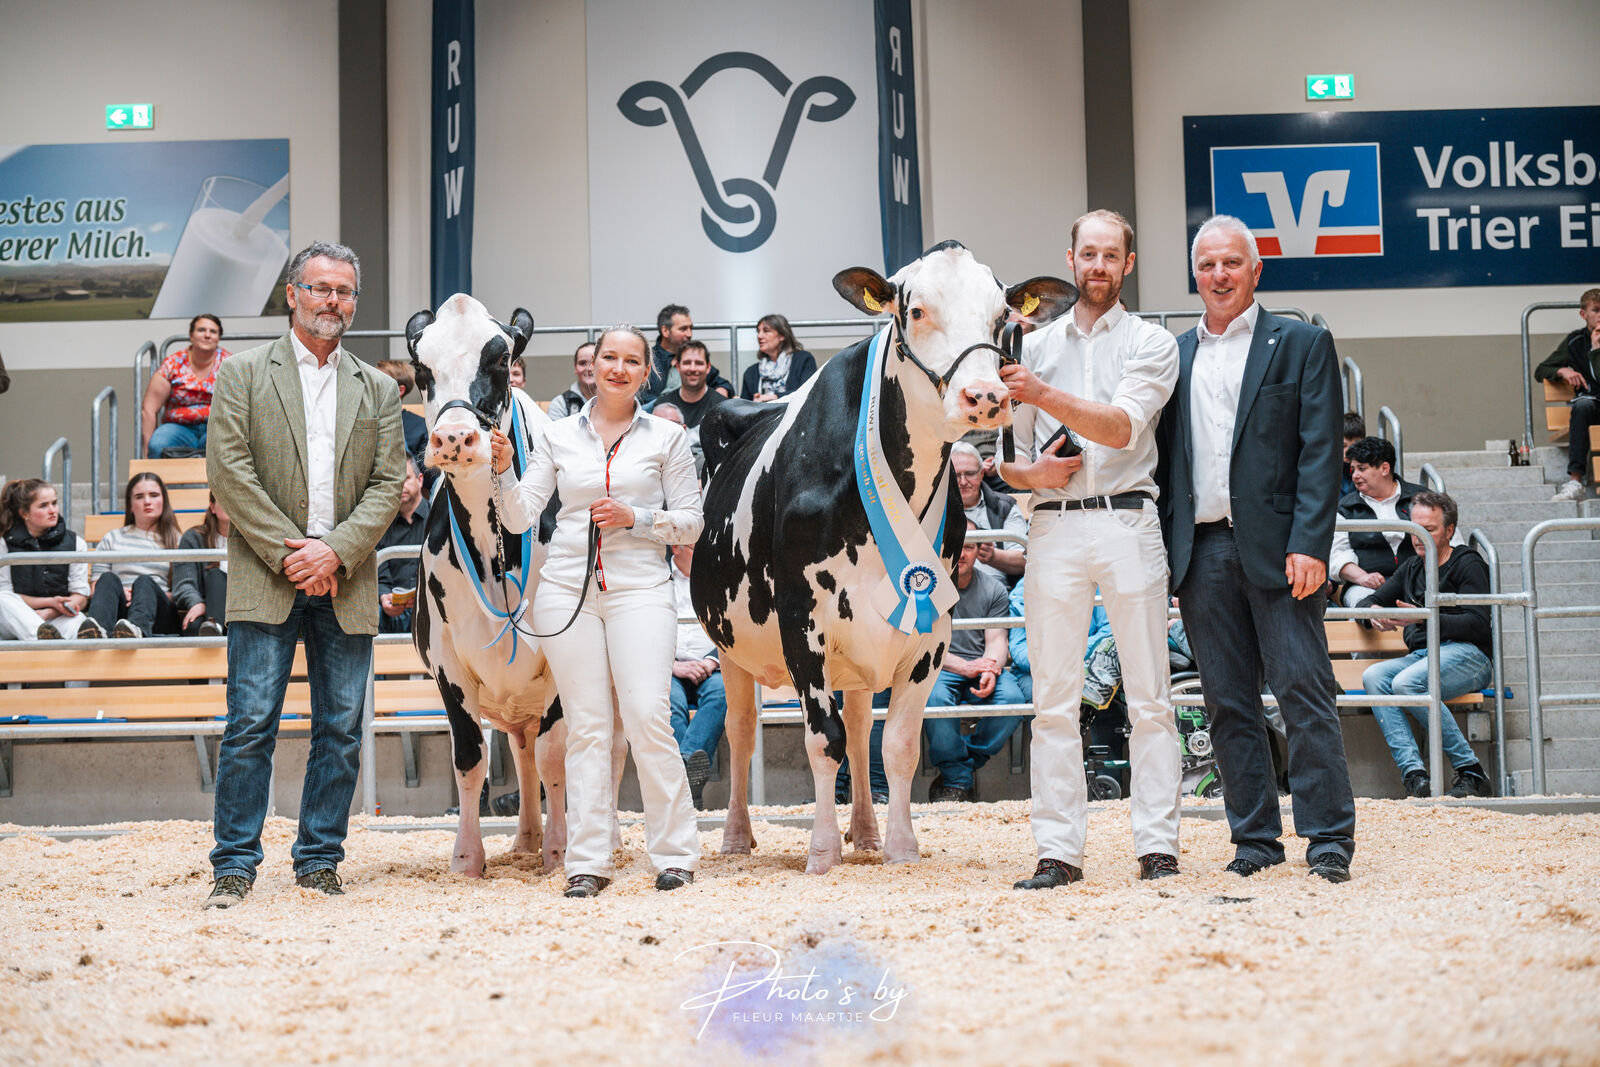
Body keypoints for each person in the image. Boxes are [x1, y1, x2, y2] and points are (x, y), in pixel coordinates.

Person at [204, 241, 405, 908]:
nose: (333, 302)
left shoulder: (377, 388)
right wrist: (294, 553)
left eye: (344, 291)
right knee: (251, 723)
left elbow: (386, 486)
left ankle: (319, 861)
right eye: (320, 288)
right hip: (268, 577)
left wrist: (334, 552)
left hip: (344, 581)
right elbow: (228, 472)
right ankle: (233, 865)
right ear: (291, 294)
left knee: (341, 731)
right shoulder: (242, 372)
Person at [1156, 214, 1354, 884]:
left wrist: (1311, 543)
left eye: (1231, 263)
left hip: (1282, 551)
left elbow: (1321, 453)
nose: (1218, 275)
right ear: (1196, 272)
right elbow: (1161, 463)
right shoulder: (1171, 355)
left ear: (1255, 270)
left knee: (1304, 691)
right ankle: (1256, 840)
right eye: (1208, 264)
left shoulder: (1300, 343)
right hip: (1202, 552)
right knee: (1227, 702)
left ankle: (1327, 837)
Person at [998, 209, 1183, 888]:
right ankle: (1058, 851)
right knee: (1052, 698)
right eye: (1089, 254)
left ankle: (1158, 844)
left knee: (1150, 695)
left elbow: (1121, 428)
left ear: (1128, 265)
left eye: (1112, 256)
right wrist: (1032, 475)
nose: (1099, 266)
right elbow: (1005, 463)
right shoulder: (1032, 345)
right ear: (1069, 259)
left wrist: (1043, 393)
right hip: (1052, 525)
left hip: (1129, 520)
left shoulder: (1151, 342)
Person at [491, 324, 703, 898]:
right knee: (586, 727)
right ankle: (588, 860)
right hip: (566, 591)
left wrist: (637, 518)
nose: (617, 367)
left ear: (646, 370)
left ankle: (676, 852)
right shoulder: (557, 436)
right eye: (609, 356)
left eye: (631, 360)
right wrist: (503, 468)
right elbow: (517, 516)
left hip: (640, 590)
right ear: (593, 364)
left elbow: (691, 521)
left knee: (646, 716)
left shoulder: (667, 437)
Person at [1356, 491, 1494, 799]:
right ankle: (1416, 777)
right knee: (1374, 677)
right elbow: (1369, 601)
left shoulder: (1467, 563)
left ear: (1449, 530)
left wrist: (1424, 618)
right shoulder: (1411, 568)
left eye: (1429, 529)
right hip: (1424, 655)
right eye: (1414, 527)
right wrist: (1374, 613)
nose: (1419, 537)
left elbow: (1477, 623)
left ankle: (1471, 770)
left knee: (1407, 683)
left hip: (1469, 655)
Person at [923, 520, 1026, 802]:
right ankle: (957, 779)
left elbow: (996, 641)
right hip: (941, 665)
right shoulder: (927, 586)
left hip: (980, 665)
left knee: (1013, 698)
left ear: (979, 550)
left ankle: (960, 768)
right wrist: (964, 666)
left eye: (968, 547)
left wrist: (991, 668)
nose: (962, 554)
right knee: (934, 700)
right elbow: (925, 643)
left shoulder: (994, 589)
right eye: (956, 546)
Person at [1328, 437, 1429, 607]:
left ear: (1384, 468)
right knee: (1364, 603)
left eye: (1362, 469)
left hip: (1420, 582)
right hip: (1365, 588)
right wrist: (1363, 577)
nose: (1355, 475)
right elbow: (1338, 554)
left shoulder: (1422, 499)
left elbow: (1449, 542)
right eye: (1353, 469)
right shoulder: (1345, 508)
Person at [85, 473, 184, 640]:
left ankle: (135, 631)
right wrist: (124, 593)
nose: (147, 501)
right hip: (119, 609)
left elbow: (181, 593)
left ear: (163, 501)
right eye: (139, 496)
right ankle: (95, 635)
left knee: (144, 582)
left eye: (154, 495)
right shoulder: (112, 538)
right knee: (108, 579)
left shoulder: (178, 540)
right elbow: (96, 588)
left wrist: (142, 594)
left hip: (159, 615)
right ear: (130, 505)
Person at [667, 541, 725, 809]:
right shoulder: (658, 579)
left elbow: (730, 623)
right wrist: (672, 665)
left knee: (722, 693)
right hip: (671, 666)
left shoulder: (716, 577)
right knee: (668, 700)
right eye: (694, 548)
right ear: (675, 547)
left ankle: (683, 782)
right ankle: (690, 785)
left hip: (710, 666)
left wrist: (713, 660)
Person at [0, 479, 91, 641]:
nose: (53, 510)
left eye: (54, 503)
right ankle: (43, 639)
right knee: (1, 600)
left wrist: (50, 611)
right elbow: (7, 596)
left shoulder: (75, 542)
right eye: (43, 506)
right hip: (18, 620)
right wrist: (50, 602)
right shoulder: (5, 543)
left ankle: (47, 640)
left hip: (56, 616)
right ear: (24, 513)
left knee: (79, 621)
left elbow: (81, 597)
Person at [1534, 287, 1600, 502]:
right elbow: (1541, 370)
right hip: (1591, 408)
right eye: (1596, 310)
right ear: (1584, 314)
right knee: (1583, 406)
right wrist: (1562, 370)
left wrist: (1597, 350)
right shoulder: (1575, 342)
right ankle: (1575, 481)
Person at [141, 314, 230, 458]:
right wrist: (146, 451)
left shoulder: (230, 364)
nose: (207, 335)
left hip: (217, 425)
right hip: (178, 427)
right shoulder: (173, 364)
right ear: (191, 335)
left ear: (218, 337)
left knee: (226, 445)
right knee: (157, 445)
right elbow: (149, 409)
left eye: (213, 331)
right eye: (201, 330)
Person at [951, 442, 1026, 585]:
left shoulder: (1003, 506)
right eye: (956, 475)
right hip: (946, 593)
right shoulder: (936, 509)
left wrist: (993, 556)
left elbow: (1025, 560)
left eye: (970, 474)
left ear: (981, 474)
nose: (963, 481)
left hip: (996, 597)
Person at [377, 456, 428, 634]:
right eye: (394, 480)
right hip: (391, 613)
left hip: (432, 609)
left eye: (405, 478)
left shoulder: (438, 520)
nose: (400, 486)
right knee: (371, 614)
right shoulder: (381, 526)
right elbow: (379, 574)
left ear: (420, 480)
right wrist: (384, 597)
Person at [644, 305, 734, 406]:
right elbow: (642, 399)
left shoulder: (694, 359)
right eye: (683, 329)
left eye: (691, 328)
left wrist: (722, 390)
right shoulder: (647, 360)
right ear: (665, 331)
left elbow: (722, 383)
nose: (689, 334)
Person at [173, 492, 230, 637]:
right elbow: (184, 583)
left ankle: (215, 626)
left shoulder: (253, 539)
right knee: (193, 624)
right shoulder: (193, 538)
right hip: (205, 607)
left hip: (243, 610)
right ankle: (213, 625)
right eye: (224, 497)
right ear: (212, 507)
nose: (230, 503)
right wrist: (197, 603)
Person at [742, 313, 817, 401]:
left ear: (782, 335)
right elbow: (743, 407)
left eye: (766, 331)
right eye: (758, 331)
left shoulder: (803, 359)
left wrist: (774, 397)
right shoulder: (751, 372)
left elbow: (809, 392)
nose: (759, 336)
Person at [376, 358, 428, 468]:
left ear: (400, 390)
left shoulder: (421, 426)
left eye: (378, 382)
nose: (371, 386)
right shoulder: (362, 420)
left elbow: (427, 474)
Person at [548, 341, 597, 419]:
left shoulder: (617, 401)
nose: (589, 368)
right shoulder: (560, 404)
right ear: (575, 368)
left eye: (594, 362)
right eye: (582, 363)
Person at [1341, 411, 1366, 498]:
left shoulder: (1369, 471)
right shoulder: (1330, 472)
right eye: (1343, 446)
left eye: (1354, 446)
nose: (1348, 451)